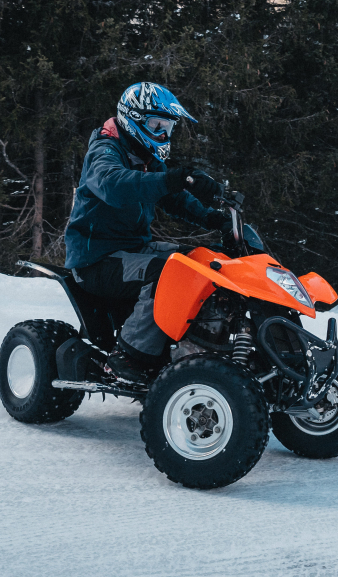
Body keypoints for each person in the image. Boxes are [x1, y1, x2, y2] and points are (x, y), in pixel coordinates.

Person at [65, 82, 228, 382]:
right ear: (133, 119)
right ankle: (128, 356)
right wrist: (172, 180)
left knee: (198, 264)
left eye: (168, 128)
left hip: (132, 250)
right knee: (168, 273)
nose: (164, 135)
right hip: (96, 259)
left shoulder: (145, 157)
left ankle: (194, 344)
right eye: (156, 125)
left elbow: (173, 198)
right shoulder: (105, 150)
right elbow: (114, 185)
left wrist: (215, 219)